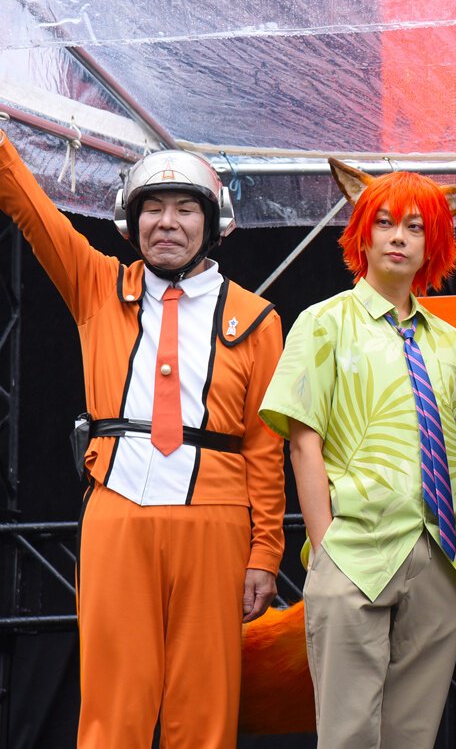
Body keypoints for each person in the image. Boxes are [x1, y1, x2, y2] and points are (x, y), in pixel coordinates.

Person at [0, 129, 285, 747]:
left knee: (204, 708)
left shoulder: (257, 319)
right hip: (117, 512)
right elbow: (28, 203)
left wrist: (265, 553)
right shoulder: (97, 285)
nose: (167, 223)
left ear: (213, 224)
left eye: (185, 209)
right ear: (131, 224)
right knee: (113, 703)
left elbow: (265, 448)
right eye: (152, 209)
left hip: (216, 520)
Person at [258, 160, 456, 748]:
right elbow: (303, 440)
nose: (398, 237)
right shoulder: (322, 323)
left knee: (413, 735)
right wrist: (325, 549)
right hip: (354, 553)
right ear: (362, 234)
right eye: (384, 222)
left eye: (415, 227)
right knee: (348, 735)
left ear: (434, 243)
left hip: (441, 560)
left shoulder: (455, 345)